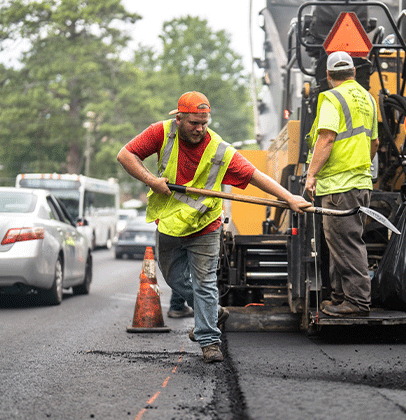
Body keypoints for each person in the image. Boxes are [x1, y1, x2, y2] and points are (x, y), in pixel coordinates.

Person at [118, 91, 310, 363]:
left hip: (205, 224)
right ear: (179, 117)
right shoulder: (161, 133)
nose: (199, 129)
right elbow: (125, 155)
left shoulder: (219, 149)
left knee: (205, 282)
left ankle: (209, 340)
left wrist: (289, 198)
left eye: (204, 123)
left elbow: (256, 176)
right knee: (175, 280)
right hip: (170, 223)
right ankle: (213, 311)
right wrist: (151, 180)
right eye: (194, 123)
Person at [304, 51, 379, 317]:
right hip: (360, 184)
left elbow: (326, 139)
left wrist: (311, 175)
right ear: (354, 72)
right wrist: (358, 168)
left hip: (338, 187)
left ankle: (357, 302)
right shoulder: (368, 98)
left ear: (328, 75)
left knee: (346, 244)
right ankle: (340, 298)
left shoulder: (332, 98)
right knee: (340, 242)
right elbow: (374, 144)